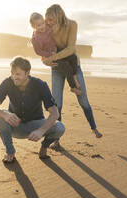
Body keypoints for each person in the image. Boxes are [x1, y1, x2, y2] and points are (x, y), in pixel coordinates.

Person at [42, 4, 102, 147]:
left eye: (51, 19)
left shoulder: (72, 25)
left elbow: (71, 49)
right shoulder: (46, 29)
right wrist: (46, 61)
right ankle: (57, 140)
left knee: (83, 101)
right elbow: (44, 51)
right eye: (47, 20)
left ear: (59, 16)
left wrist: (53, 57)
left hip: (72, 66)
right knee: (58, 105)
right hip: (56, 68)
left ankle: (94, 128)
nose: (48, 22)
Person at [0, 56, 65, 162]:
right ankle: (10, 152)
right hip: (15, 125)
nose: (14, 77)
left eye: (18, 74)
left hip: (35, 126)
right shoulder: (7, 82)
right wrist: (5, 115)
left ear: (27, 73)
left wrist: (41, 130)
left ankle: (44, 147)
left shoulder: (40, 85)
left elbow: (55, 113)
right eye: (12, 73)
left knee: (60, 127)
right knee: (0, 117)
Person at [30, 12, 83, 96]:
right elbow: (38, 51)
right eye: (38, 25)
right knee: (66, 66)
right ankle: (73, 87)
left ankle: (75, 76)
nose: (42, 26)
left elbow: (54, 21)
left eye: (42, 23)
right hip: (51, 56)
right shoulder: (36, 39)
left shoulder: (47, 26)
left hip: (58, 51)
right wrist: (49, 54)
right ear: (33, 27)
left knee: (73, 57)